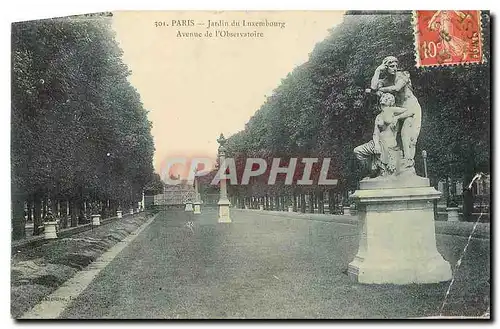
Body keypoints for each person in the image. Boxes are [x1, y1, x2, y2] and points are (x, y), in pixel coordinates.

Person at [370, 56, 422, 170]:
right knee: (394, 137)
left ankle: (408, 163)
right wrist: (378, 70)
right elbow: (373, 87)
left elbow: (397, 88)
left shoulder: (403, 75)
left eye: (396, 66)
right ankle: (396, 164)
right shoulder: (385, 80)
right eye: (391, 66)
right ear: (386, 67)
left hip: (411, 108)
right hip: (398, 110)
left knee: (407, 136)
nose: (394, 68)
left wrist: (381, 90)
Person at [354, 93, 412, 178]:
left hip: (389, 143)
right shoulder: (378, 116)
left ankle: (376, 171)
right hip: (377, 142)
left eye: (386, 99)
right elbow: (375, 133)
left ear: (391, 102)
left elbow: (410, 111)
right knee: (357, 151)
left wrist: (397, 117)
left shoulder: (392, 110)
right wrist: (376, 144)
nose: (382, 100)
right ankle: (371, 169)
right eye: (382, 98)